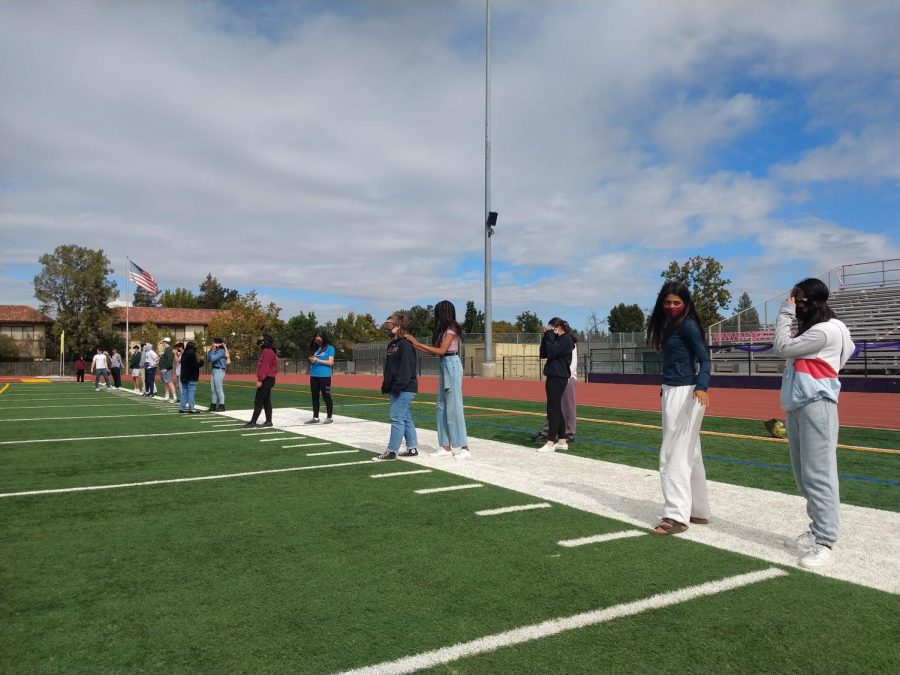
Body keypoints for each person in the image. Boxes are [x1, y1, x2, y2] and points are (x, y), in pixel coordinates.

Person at [772, 278, 854, 569]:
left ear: (813, 301)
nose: (797, 304)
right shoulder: (827, 329)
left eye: (800, 299)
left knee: (819, 474)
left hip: (816, 403)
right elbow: (850, 349)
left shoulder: (826, 330)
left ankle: (825, 541)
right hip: (800, 403)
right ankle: (816, 528)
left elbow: (781, 346)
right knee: (803, 473)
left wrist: (784, 311)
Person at [646, 281, 712, 536]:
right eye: (667, 302)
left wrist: (702, 386)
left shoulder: (688, 326)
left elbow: (705, 360)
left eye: (676, 303)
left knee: (672, 454)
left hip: (686, 393)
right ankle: (698, 510)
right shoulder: (668, 325)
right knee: (690, 452)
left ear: (685, 304)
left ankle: (676, 516)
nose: (671, 307)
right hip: (673, 390)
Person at [406, 300, 469, 459]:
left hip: (451, 364)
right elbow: (437, 352)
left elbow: (441, 350)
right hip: (444, 364)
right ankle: (445, 446)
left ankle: (464, 447)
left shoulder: (452, 328)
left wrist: (417, 343)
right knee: (441, 407)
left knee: (454, 407)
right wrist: (415, 344)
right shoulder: (443, 330)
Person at [373, 313, 418, 461]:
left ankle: (392, 451)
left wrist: (397, 387)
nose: (387, 327)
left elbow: (406, 369)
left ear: (398, 326)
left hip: (404, 388)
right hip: (397, 387)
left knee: (397, 418)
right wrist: (386, 385)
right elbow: (390, 368)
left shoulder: (405, 345)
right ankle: (412, 448)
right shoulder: (392, 344)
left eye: (390, 325)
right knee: (405, 418)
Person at [535, 322, 578, 443]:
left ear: (558, 328)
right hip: (556, 375)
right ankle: (554, 434)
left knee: (565, 406)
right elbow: (545, 353)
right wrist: (546, 336)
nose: (550, 330)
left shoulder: (567, 340)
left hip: (565, 376)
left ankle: (567, 433)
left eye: (552, 328)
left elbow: (570, 360)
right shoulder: (557, 339)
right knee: (555, 407)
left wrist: (569, 376)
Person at [243, 334, 278, 428]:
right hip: (268, 378)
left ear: (265, 341)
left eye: (261, 338)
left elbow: (264, 367)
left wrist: (260, 379)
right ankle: (269, 421)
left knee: (259, 400)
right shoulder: (266, 351)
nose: (259, 339)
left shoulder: (267, 351)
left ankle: (253, 422)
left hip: (267, 379)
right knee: (266, 400)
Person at [306, 330, 335, 424]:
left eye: (318, 340)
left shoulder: (330, 348)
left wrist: (317, 360)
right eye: (315, 340)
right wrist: (312, 360)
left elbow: (330, 362)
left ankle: (329, 417)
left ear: (323, 338)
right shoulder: (316, 348)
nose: (316, 342)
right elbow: (313, 359)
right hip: (314, 376)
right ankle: (315, 417)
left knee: (326, 396)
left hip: (325, 377)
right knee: (315, 397)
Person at [178, 341, 204, 414]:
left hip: (184, 375)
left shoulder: (184, 354)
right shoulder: (192, 354)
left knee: (184, 392)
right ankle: (191, 408)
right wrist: (201, 362)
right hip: (191, 376)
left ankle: (182, 408)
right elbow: (194, 366)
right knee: (191, 392)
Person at [206, 337, 230, 412]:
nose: (212, 344)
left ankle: (222, 405)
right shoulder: (216, 350)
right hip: (214, 370)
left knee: (219, 389)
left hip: (219, 370)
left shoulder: (221, 351)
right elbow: (209, 359)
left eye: (213, 342)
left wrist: (212, 351)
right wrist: (211, 351)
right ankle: (213, 405)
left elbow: (213, 359)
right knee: (213, 389)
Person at [158, 337, 177, 403]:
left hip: (166, 369)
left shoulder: (169, 349)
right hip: (163, 368)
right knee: (165, 383)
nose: (163, 343)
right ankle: (167, 396)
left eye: (163, 342)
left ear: (166, 342)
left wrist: (167, 368)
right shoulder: (167, 349)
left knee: (169, 382)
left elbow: (170, 360)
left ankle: (175, 397)